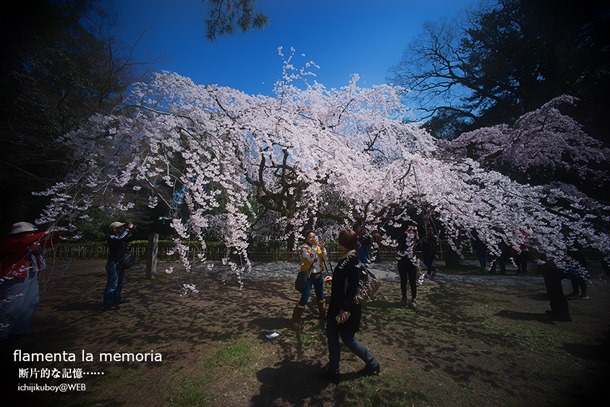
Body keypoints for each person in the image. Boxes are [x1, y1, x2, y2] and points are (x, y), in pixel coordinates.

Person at [319, 228, 381, 383]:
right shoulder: (347, 258)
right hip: (340, 306)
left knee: (346, 338)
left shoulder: (352, 260)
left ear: (344, 243)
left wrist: (344, 310)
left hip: (345, 308)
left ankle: (371, 364)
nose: (338, 244)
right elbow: (346, 280)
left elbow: (353, 286)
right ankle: (334, 371)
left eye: (340, 241)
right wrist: (333, 279)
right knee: (335, 335)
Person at [0, 222, 61, 341]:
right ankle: (3, 334)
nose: (33, 235)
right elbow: (22, 243)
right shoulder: (10, 243)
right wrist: (44, 233)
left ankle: (20, 330)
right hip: (15, 277)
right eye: (31, 233)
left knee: (30, 303)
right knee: (11, 307)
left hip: (31, 274)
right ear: (21, 234)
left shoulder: (31, 244)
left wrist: (59, 235)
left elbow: (48, 243)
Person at [290, 230, 329, 330]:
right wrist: (316, 248)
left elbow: (326, 258)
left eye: (314, 237)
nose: (313, 239)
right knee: (305, 296)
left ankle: (323, 314)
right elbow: (311, 257)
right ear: (306, 239)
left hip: (318, 275)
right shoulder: (304, 248)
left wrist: (323, 249)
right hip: (309, 276)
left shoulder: (319, 248)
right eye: (310, 237)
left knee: (320, 296)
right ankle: (296, 319)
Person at [103, 221, 136, 311]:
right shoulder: (112, 237)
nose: (122, 229)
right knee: (112, 284)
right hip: (113, 263)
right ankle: (108, 304)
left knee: (121, 282)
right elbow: (120, 239)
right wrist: (128, 229)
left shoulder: (119, 237)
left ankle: (116, 299)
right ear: (114, 229)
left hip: (120, 263)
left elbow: (128, 237)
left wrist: (131, 230)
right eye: (120, 227)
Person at [396, 224, 419, 309]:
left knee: (412, 280)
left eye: (411, 230)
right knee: (403, 280)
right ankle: (404, 297)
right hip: (402, 261)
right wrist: (406, 233)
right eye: (409, 230)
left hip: (412, 261)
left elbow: (418, 245)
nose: (410, 231)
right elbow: (399, 243)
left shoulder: (414, 238)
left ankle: (413, 298)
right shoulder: (402, 237)